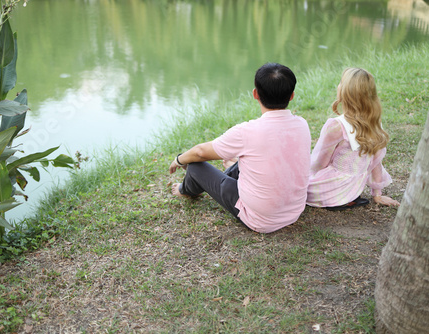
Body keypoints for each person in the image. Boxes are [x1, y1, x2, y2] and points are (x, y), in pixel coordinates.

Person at [169, 63, 311, 233]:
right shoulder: (302, 124)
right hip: (293, 212)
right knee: (241, 161)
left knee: (195, 166)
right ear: (292, 96)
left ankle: (185, 190)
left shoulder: (247, 131)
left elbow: (200, 152)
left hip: (260, 219)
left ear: (255, 94)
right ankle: (227, 173)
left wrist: (179, 159)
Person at [307, 67, 400, 210]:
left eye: (340, 82)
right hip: (353, 188)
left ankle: (333, 199)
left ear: (345, 92)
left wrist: (304, 177)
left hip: (330, 189)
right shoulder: (375, 123)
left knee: (290, 175)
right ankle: (348, 200)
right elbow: (375, 162)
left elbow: (320, 163)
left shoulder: (337, 126)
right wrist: (377, 194)